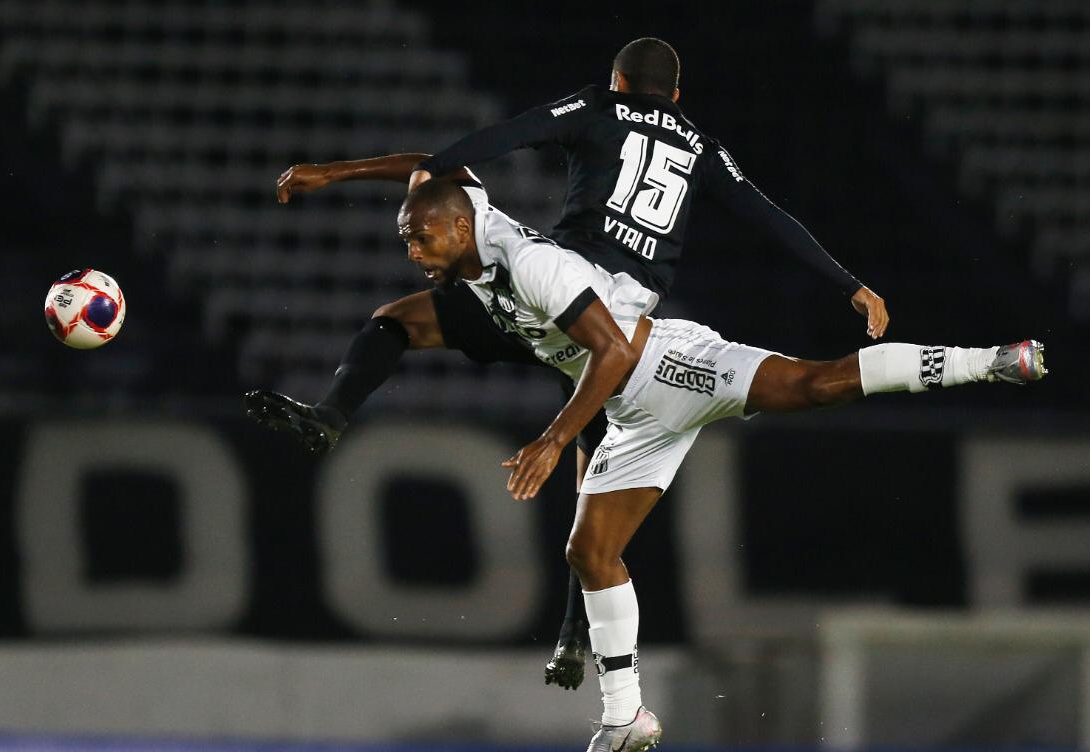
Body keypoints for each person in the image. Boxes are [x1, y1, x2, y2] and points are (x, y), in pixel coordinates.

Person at [249, 173, 1046, 752]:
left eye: (421, 238)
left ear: (460, 226)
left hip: (667, 367)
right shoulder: (474, 239)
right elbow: (430, 169)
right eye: (409, 238)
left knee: (814, 383)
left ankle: (990, 361)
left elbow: (616, 353)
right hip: (631, 417)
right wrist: (329, 172)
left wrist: (557, 439)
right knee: (591, 552)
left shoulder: (532, 266)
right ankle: (625, 716)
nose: (413, 252)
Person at [273, 37, 888, 692]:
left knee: (399, 320)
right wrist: (848, 282)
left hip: (559, 299)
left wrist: (424, 180)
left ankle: (332, 413)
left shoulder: (599, 106)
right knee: (593, 476)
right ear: (675, 97)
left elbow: (513, 134)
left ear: (619, 79)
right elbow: (763, 214)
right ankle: (573, 632)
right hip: (618, 329)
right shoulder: (702, 146)